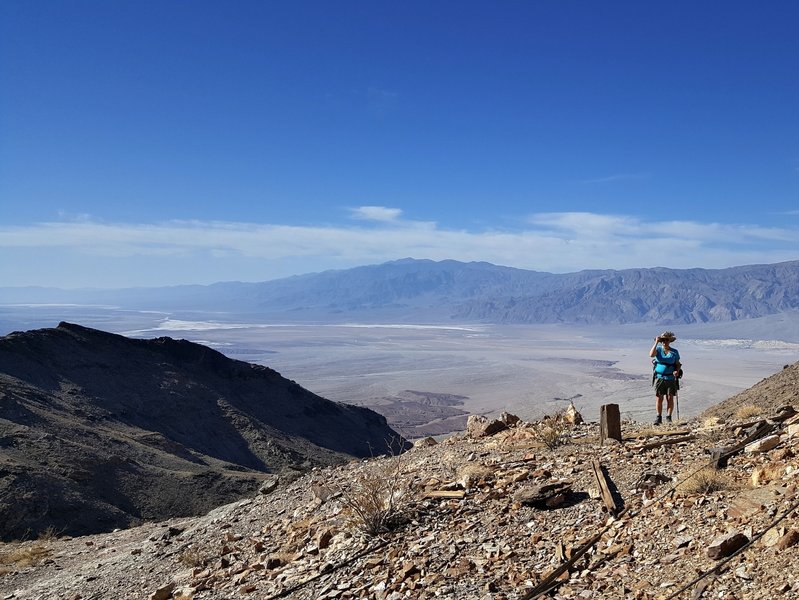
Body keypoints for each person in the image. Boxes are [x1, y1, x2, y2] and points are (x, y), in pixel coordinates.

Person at [649, 331, 681, 425]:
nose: (664, 342)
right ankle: (658, 417)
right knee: (659, 398)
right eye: (662, 340)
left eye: (666, 340)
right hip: (660, 378)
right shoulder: (658, 349)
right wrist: (656, 342)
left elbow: (678, 364)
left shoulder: (674, 352)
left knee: (670, 398)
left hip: (671, 378)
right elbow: (651, 355)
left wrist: (677, 371)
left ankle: (668, 417)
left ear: (669, 341)